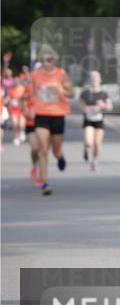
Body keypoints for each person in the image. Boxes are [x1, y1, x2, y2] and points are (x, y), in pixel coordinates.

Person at [30, 49, 74, 196]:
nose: (46, 63)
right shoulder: (36, 75)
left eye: (49, 60)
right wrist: (26, 105)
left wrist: (61, 90)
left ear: (55, 61)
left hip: (58, 114)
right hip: (41, 114)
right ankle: (44, 182)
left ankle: (59, 156)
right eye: (43, 60)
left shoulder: (61, 74)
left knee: (55, 150)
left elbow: (72, 93)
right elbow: (29, 93)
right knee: (43, 149)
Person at [78, 70, 113, 171]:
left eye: (96, 78)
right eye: (92, 78)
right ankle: (86, 148)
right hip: (88, 120)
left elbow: (110, 107)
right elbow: (80, 102)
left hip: (99, 120)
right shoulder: (85, 93)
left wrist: (103, 105)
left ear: (100, 79)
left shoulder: (103, 94)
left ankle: (94, 159)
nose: (94, 80)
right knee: (89, 142)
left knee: (97, 144)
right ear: (89, 80)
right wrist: (84, 107)